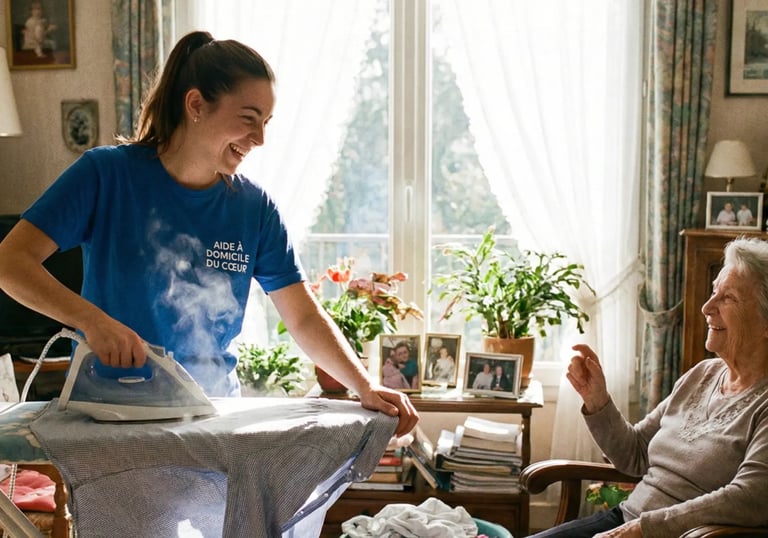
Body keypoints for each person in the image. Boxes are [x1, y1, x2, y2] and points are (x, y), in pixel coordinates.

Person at [0, 30, 418, 438]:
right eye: (248, 119)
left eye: (267, 122)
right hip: (111, 421)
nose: (259, 139)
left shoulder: (254, 210)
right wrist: (93, 322)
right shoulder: (106, 176)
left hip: (211, 422)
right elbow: (10, 262)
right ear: (196, 104)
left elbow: (303, 316)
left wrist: (365, 386)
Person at [528, 237, 768, 537]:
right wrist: (597, 399)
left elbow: (752, 498)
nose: (707, 307)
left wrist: (646, 528)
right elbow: (635, 454)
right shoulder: (701, 375)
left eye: (728, 297)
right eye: (712, 293)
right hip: (626, 520)